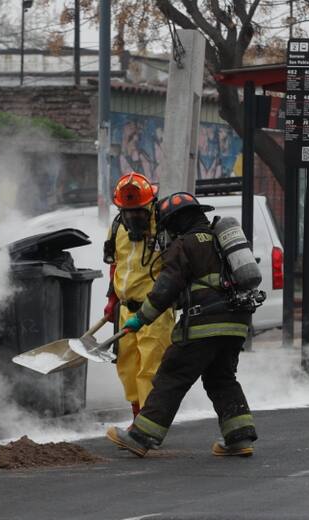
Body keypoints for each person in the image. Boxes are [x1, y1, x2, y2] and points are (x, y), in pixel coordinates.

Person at [106, 192, 258, 458]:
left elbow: (165, 288)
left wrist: (141, 318)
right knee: (221, 378)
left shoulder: (183, 245)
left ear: (178, 221)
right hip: (236, 323)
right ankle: (239, 437)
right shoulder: (219, 239)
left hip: (203, 324)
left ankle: (141, 437)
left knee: (171, 376)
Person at [103, 172, 174, 418]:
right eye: (127, 212)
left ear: (150, 205)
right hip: (126, 309)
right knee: (127, 366)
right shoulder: (116, 228)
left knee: (151, 369)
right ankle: (138, 416)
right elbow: (116, 265)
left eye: (138, 212)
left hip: (154, 311)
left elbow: (175, 269)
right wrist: (112, 299)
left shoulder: (165, 228)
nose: (133, 217)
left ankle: (148, 422)